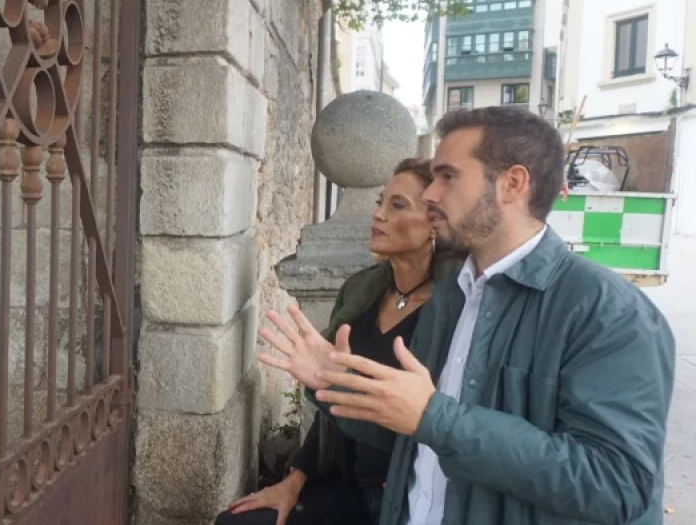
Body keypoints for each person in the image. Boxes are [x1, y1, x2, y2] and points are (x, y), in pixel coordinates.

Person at [257, 106, 675, 525]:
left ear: (512, 183)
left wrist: (437, 418)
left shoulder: (609, 312)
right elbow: (413, 439)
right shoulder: (452, 298)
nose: (431, 194)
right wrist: (337, 388)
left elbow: (617, 486)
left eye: (448, 176)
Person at [218, 159, 462, 525]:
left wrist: (334, 388)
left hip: (407, 494)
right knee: (236, 522)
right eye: (380, 202)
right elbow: (333, 410)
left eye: (397, 205)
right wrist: (294, 479)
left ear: (434, 222)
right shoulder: (361, 291)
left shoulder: (454, 308)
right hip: (346, 483)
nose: (377, 214)